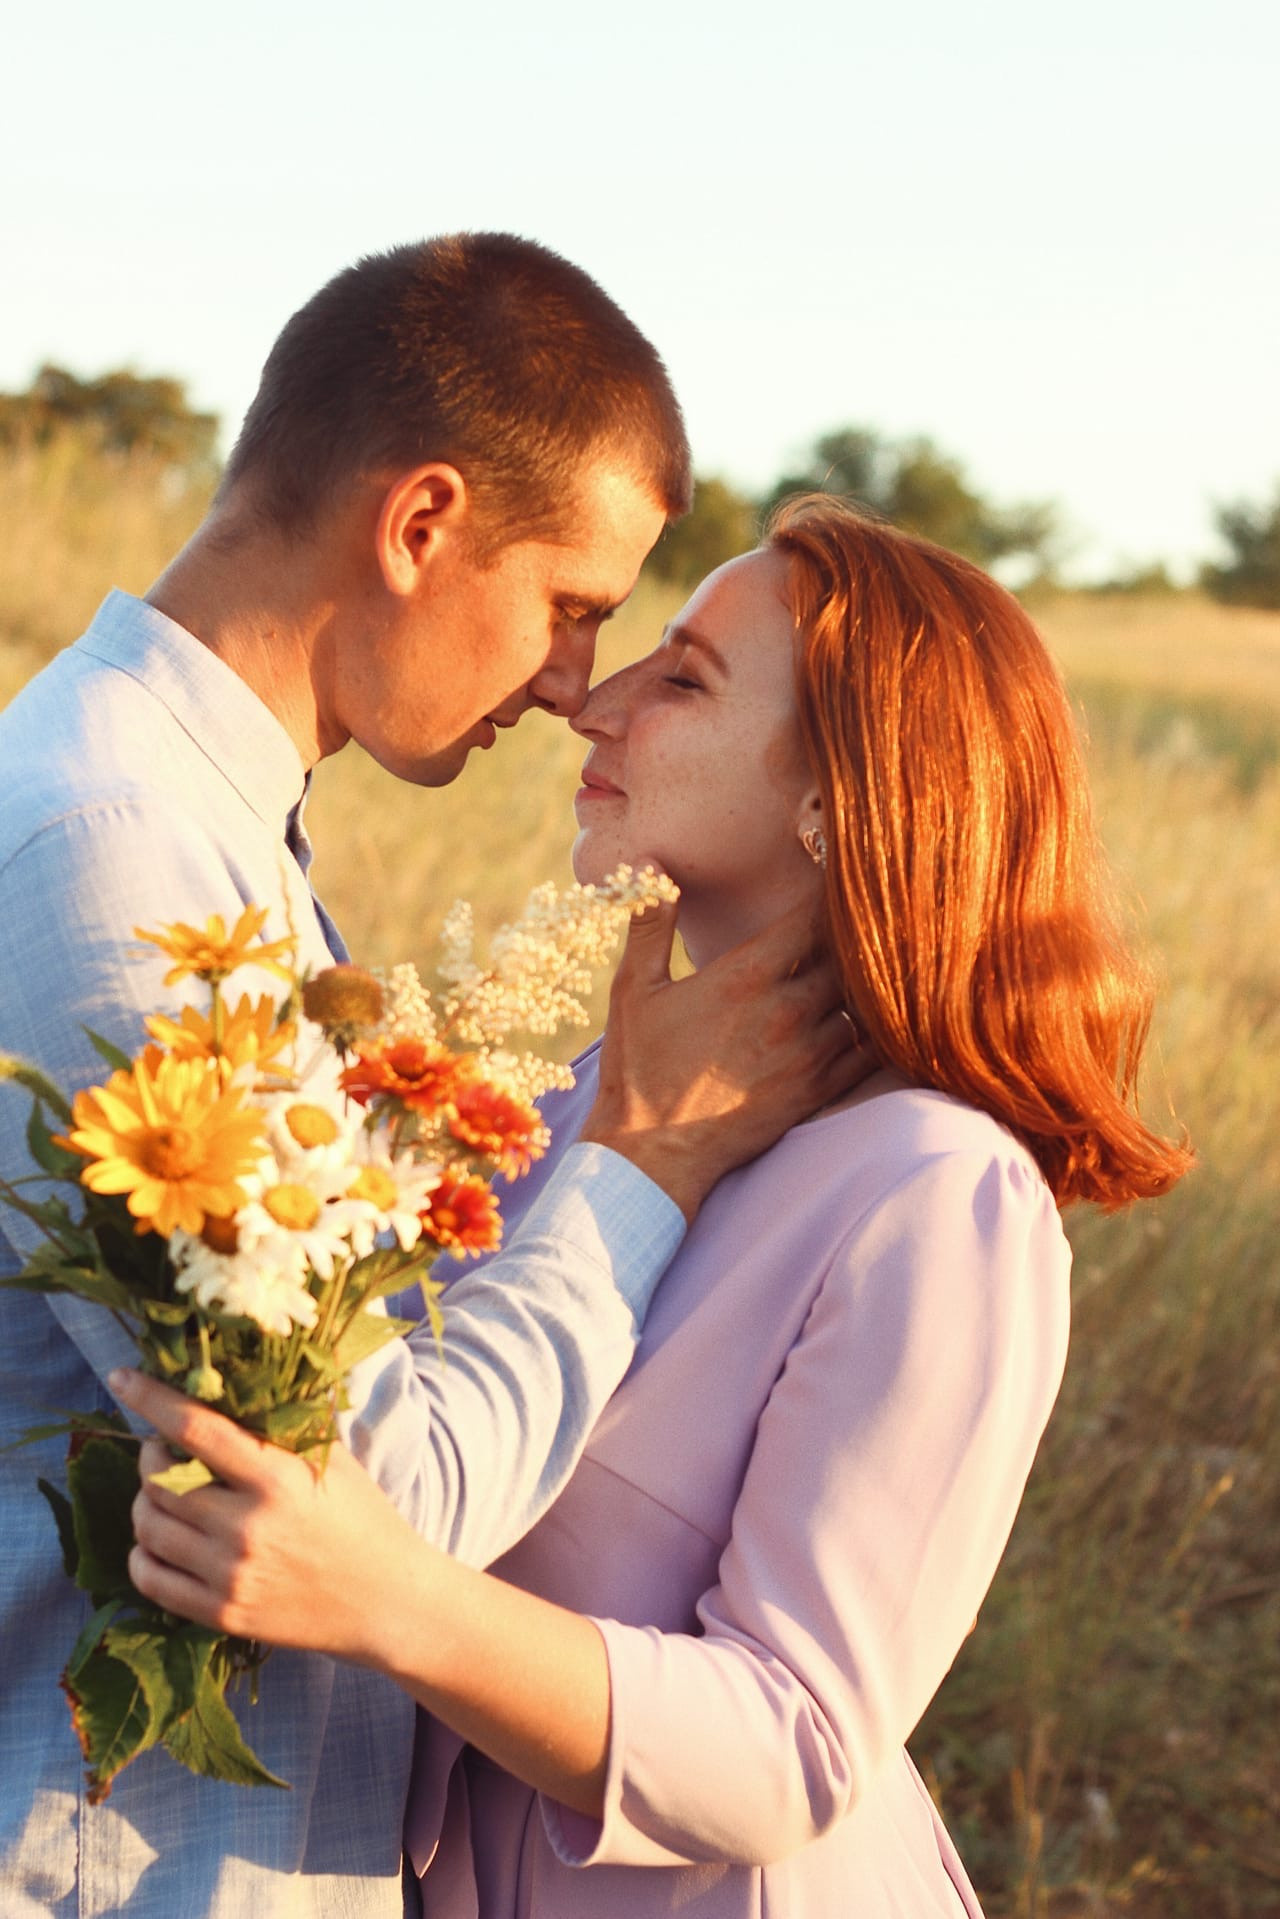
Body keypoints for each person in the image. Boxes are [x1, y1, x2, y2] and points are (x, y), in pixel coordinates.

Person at [119, 498, 1192, 1916]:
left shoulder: (936, 1193)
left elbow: (798, 1746)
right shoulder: (569, 1112)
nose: (593, 704)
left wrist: (386, 1600)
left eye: (681, 678)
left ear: (839, 796)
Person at [0, 239, 863, 1918]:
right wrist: (644, 1167)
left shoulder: (196, 825)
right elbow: (368, 1500)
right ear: (420, 526)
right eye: (571, 611)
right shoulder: (112, 846)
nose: (570, 691)